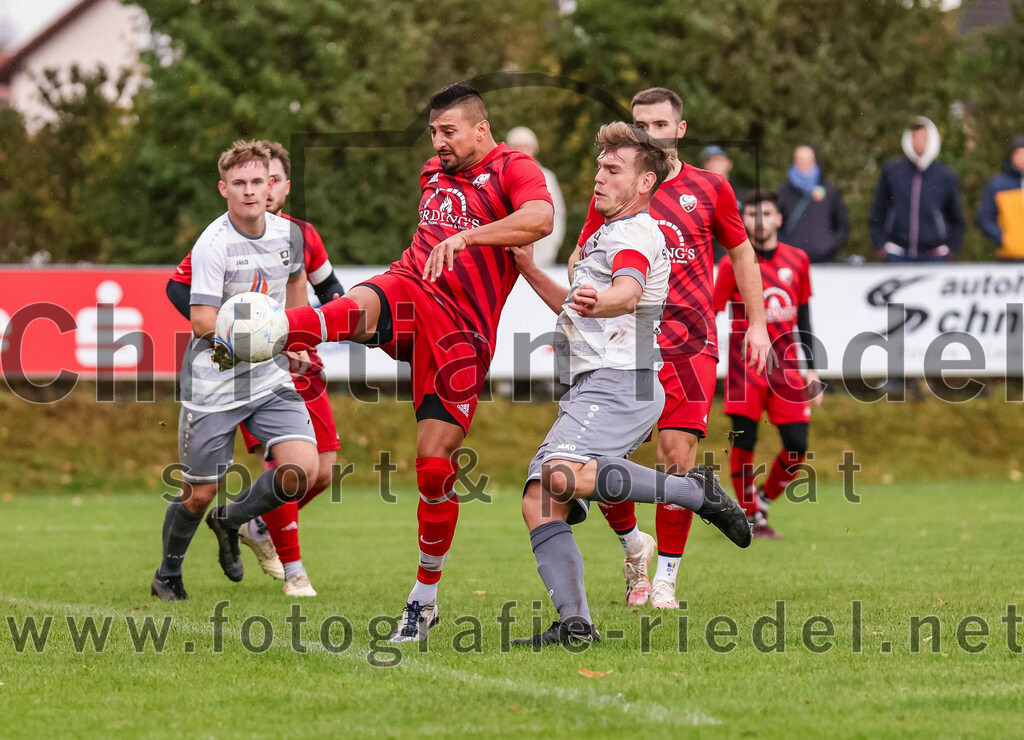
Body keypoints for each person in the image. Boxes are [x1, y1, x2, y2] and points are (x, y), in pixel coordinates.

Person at [243, 83, 553, 642]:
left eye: (449, 131)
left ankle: (424, 597)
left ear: (481, 129)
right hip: (412, 288)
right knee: (357, 305)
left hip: (463, 331)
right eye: (434, 132)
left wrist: (470, 237)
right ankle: (266, 334)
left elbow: (539, 219)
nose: (439, 142)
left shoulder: (514, 166)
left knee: (434, 468)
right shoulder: (431, 174)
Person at [508, 122, 751, 647]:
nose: (599, 176)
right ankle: (576, 624)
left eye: (613, 169)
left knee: (559, 473)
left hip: (621, 382)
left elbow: (628, 288)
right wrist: (529, 268)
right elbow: (583, 305)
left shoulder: (634, 232)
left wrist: (610, 299)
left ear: (644, 184)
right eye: (599, 166)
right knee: (539, 501)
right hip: (599, 385)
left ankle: (692, 491)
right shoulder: (604, 232)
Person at [578, 87, 770, 611]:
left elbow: (742, 253)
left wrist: (756, 324)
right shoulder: (620, 187)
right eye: (641, 125)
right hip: (627, 349)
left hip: (690, 345)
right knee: (597, 462)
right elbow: (583, 257)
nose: (650, 134)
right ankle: (631, 546)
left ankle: (664, 580)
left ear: (680, 130)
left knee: (675, 459)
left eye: (660, 125)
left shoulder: (710, 188)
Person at [165, 140, 345, 597]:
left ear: (272, 187)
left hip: (270, 378)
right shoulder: (213, 244)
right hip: (215, 382)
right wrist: (251, 340)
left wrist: (297, 340)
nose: (249, 192)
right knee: (199, 492)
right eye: (239, 184)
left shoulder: (290, 235)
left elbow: (297, 285)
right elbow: (202, 318)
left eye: (257, 182)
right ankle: (168, 573)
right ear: (224, 189)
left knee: (303, 468)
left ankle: (234, 518)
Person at [714, 190, 821, 539]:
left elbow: (803, 314)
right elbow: (710, 312)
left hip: (787, 368)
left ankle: (760, 500)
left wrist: (812, 368)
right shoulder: (732, 263)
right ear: (743, 220)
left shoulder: (798, 260)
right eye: (752, 214)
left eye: (767, 213)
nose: (759, 221)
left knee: (797, 445)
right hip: (745, 368)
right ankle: (747, 515)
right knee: (745, 441)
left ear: (779, 218)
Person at [870, 116, 965, 262]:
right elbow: (879, 210)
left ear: (932, 139)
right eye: (914, 137)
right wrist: (880, 243)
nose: (918, 142)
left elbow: (956, 217)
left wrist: (951, 247)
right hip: (897, 254)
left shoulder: (945, 175)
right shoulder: (893, 171)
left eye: (923, 137)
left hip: (934, 255)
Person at [778, 143, 849, 263]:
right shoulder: (784, 192)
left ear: (814, 160)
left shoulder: (829, 190)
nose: (803, 162)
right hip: (793, 260)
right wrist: (787, 247)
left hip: (825, 260)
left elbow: (842, 224)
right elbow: (777, 225)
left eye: (807, 159)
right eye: (799, 158)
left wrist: (830, 246)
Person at [507, 126, 566, 266]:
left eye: (526, 146)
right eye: (518, 146)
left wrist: (551, 247)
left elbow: (558, 214)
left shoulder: (548, 177)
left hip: (542, 253)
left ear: (534, 148)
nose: (523, 150)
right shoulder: (502, 176)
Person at [977, 135, 1024, 262]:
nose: (1022, 158)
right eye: (1018, 153)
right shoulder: (997, 184)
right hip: (1008, 259)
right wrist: (1004, 239)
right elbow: (985, 219)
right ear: (1011, 156)